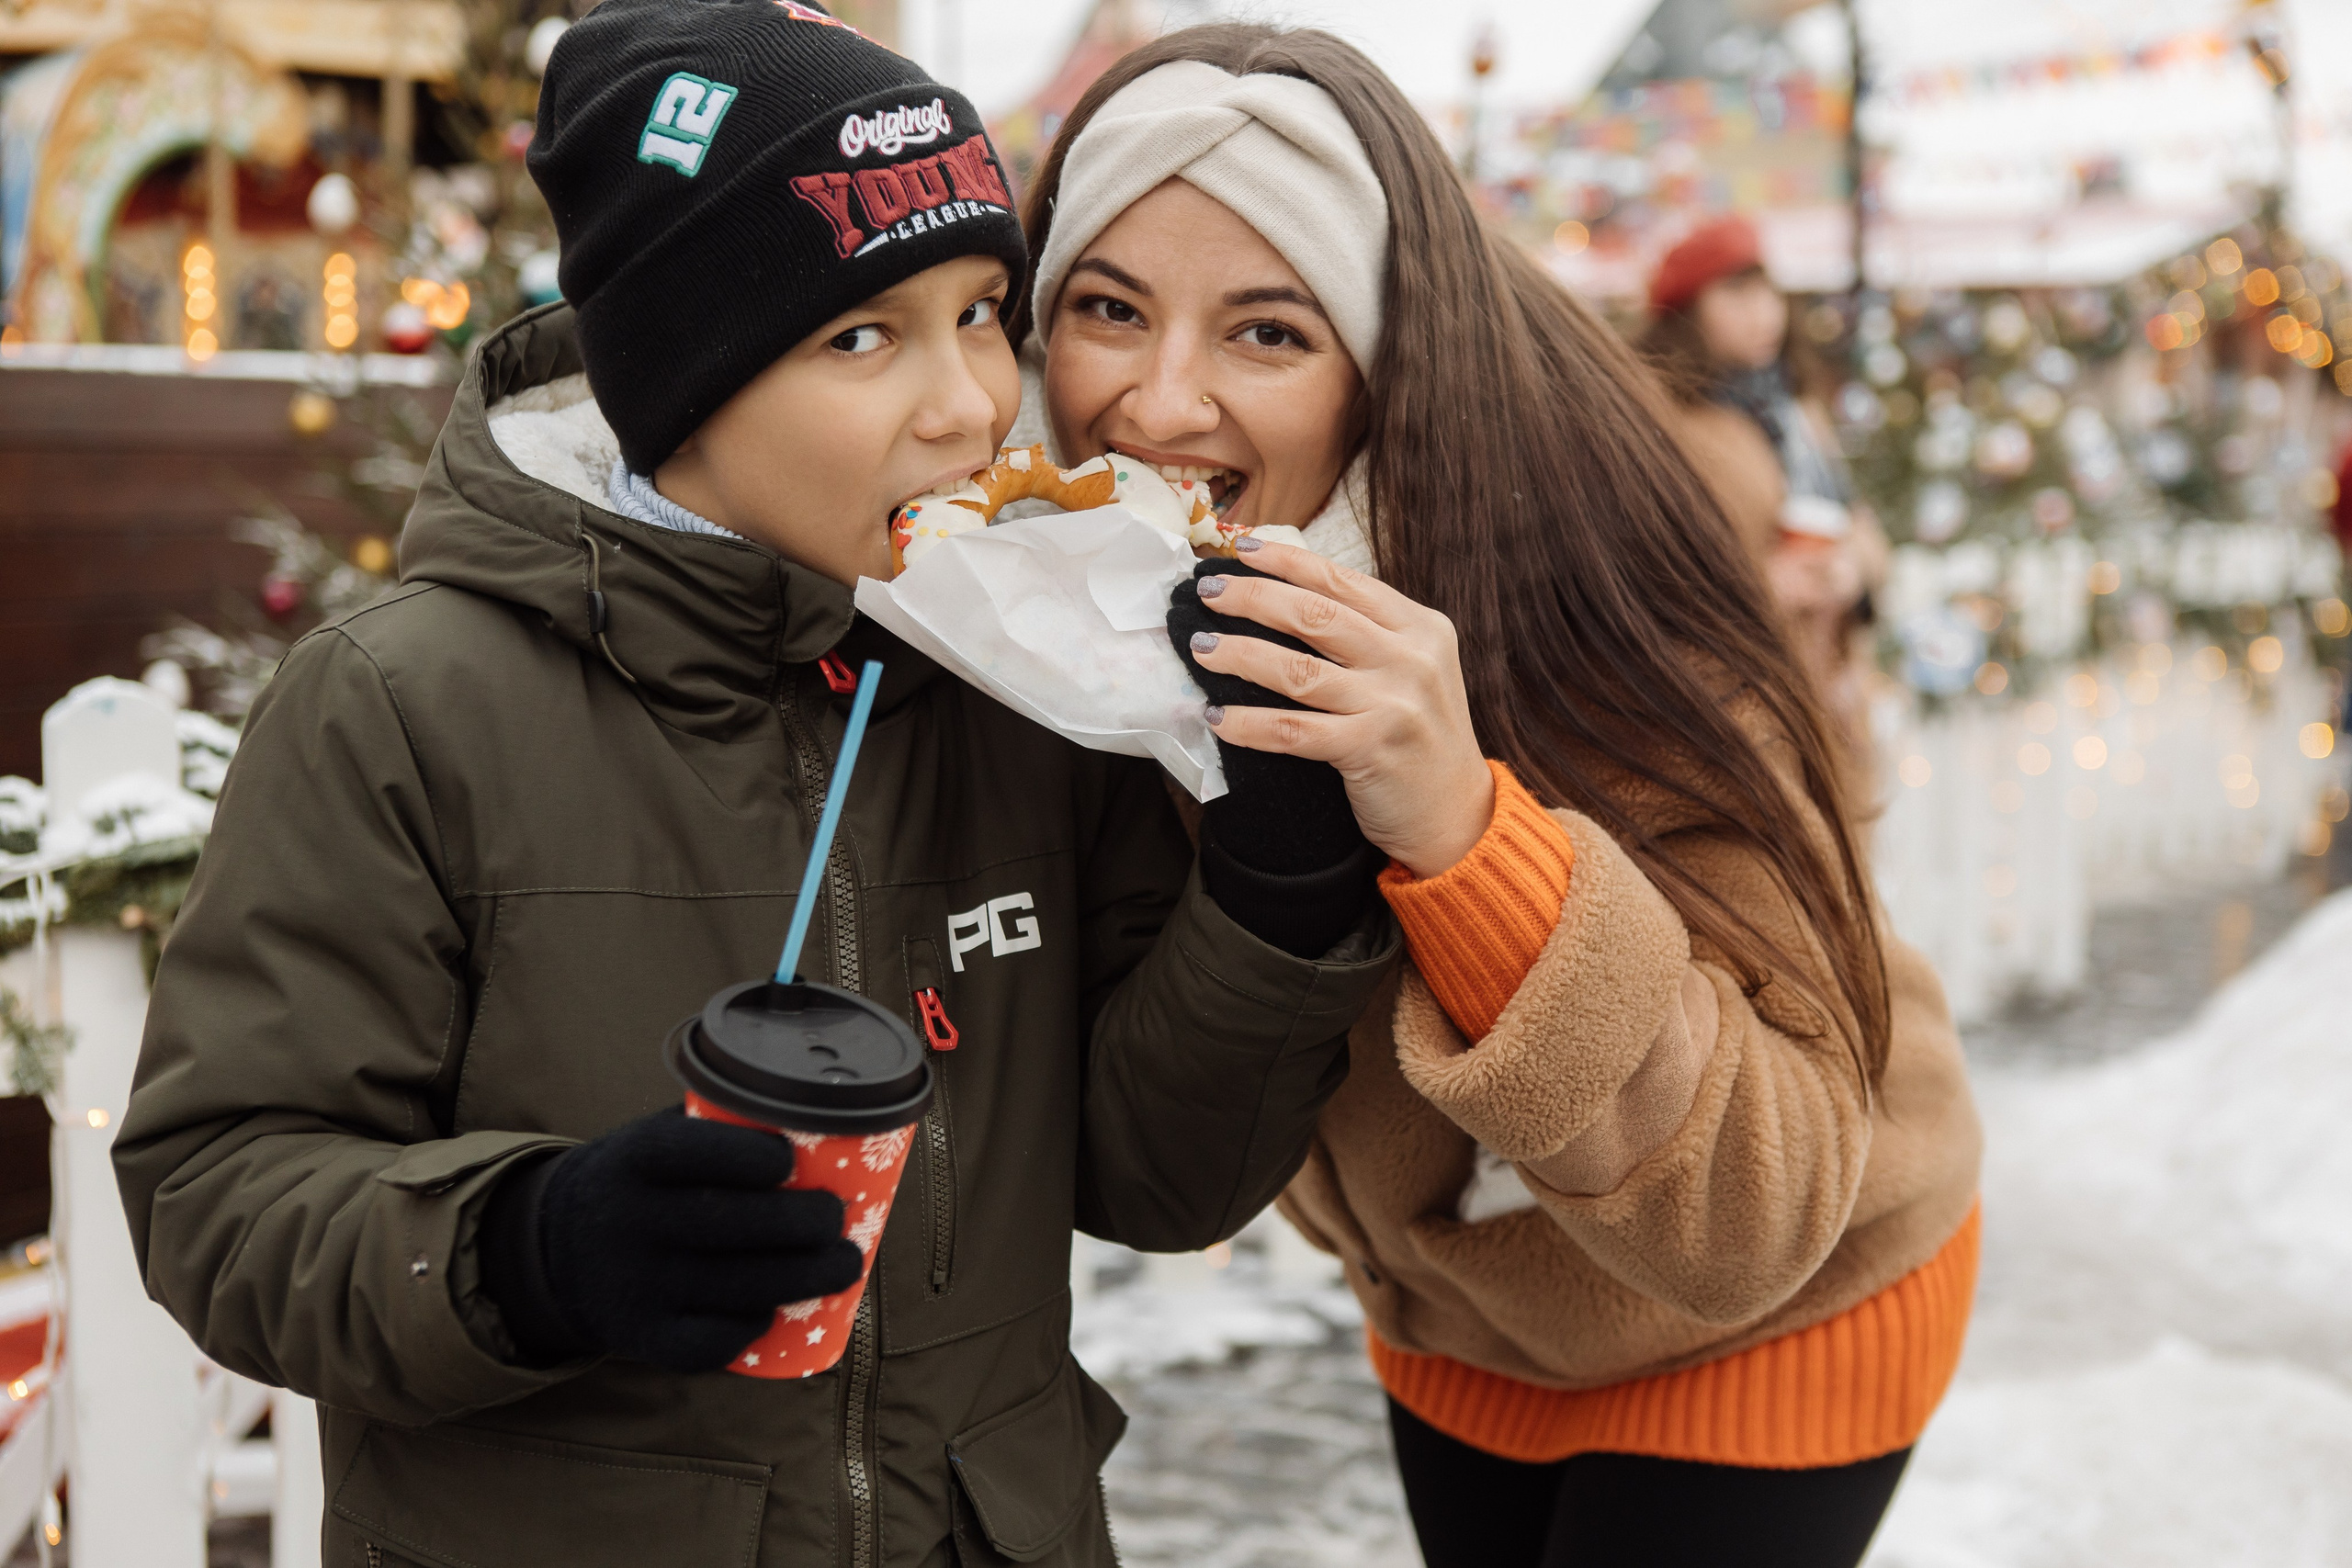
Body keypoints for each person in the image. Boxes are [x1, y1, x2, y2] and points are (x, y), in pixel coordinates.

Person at [110, 6, 1396, 1565]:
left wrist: (1274, 888)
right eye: (862, 338)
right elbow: (218, 1193)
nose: (970, 406)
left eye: (984, 312)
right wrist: (531, 1250)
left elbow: (1159, 1177)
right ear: (682, 380)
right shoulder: (403, 706)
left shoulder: (1023, 679)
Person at [1014, 26, 1982, 1568]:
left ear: (1387, 364)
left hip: (1777, 1315)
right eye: (1108, 308)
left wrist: (1469, 836)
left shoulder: (1592, 598)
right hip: (1461, 1316)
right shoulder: (1057, 608)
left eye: (1270, 332)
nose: (1159, 401)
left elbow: (1761, 1199)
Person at [1638, 217, 1888, 760]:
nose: (1764, 312)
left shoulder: (1794, 410)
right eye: (1736, 293)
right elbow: (1647, 577)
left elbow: (1865, 533)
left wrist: (1850, 571)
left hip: (1826, 691)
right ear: (1688, 312)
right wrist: (1766, 587)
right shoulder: (1667, 426)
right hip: (1733, 713)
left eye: (1767, 290)